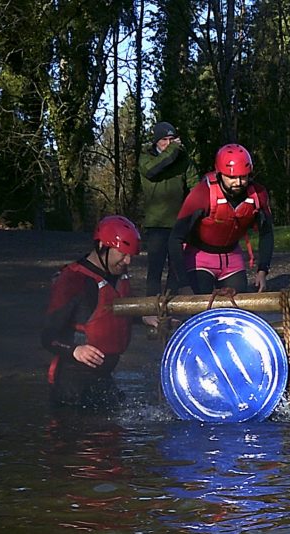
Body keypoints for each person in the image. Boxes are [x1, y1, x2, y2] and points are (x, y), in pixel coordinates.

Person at [40, 215, 145, 408]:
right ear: (101, 247)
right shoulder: (72, 281)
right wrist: (75, 350)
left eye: (130, 255)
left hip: (103, 378)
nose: (128, 260)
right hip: (72, 384)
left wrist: (146, 316)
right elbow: (48, 336)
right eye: (123, 253)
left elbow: (113, 313)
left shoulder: (116, 275)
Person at [168, 143, 275, 294]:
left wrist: (263, 270)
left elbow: (267, 233)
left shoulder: (258, 195)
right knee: (201, 306)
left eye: (243, 177)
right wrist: (183, 282)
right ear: (219, 173)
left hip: (232, 258)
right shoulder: (202, 194)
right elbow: (175, 238)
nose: (238, 183)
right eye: (231, 177)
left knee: (236, 308)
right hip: (200, 257)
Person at [137, 121, 199, 298]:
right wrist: (173, 150)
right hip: (156, 224)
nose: (168, 143)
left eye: (172, 139)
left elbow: (195, 187)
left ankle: (172, 309)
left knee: (177, 270)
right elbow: (152, 170)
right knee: (154, 270)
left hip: (178, 223)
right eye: (164, 139)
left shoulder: (183, 159)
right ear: (156, 141)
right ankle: (150, 309)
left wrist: (193, 216)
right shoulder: (145, 158)